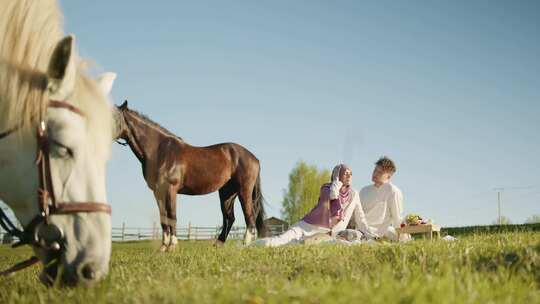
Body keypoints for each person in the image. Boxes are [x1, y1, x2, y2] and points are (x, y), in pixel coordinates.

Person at [254, 164, 375, 247]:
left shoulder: (354, 194)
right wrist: (336, 183)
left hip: (329, 233)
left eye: (351, 174)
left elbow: (360, 217)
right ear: (337, 175)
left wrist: (371, 235)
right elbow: (333, 196)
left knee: (336, 244)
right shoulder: (326, 188)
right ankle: (251, 245)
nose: (349, 176)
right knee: (277, 242)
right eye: (345, 173)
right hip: (307, 227)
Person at [357, 156, 409, 241]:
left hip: (379, 234)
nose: (375, 174)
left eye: (380, 172)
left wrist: (403, 239)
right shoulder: (364, 191)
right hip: (361, 232)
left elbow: (397, 218)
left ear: (389, 177)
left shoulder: (393, 191)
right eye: (375, 170)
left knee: (398, 234)